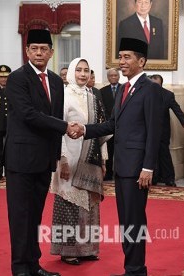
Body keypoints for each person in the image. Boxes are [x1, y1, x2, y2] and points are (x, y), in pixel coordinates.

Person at [69, 37, 164, 276]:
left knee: (134, 221)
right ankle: (131, 269)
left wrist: (148, 168)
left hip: (137, 169)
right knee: (126, 222)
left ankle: (136, 270)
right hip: (122, 166)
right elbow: (112, 124)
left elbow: (154, 131)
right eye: (120, 56)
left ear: (141, 61)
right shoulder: (122, 88)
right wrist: (85, 129)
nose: (121, 61)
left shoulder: (151, 90)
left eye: (126, 57)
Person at [4, 29, 77, 276]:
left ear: (51, 52)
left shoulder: (56, 81)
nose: (38, 53)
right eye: (33, 48)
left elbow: (54, 116)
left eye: (43, 49)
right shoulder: (17, 79)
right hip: (21, 161)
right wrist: (66, 127)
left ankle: (33, 266)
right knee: (20, 218)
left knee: (35, 216)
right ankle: (20, 270)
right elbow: (29, 115)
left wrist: (57, 155)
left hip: (44, 161)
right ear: (27, 51)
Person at [50, 57, 111, 265]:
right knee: (69, 202)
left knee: (90, 203)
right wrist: (63, 160)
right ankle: (68, 250)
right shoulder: (64, 95)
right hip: (70, 156)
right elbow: (58, 130)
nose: (83, 74)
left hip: (90, 159)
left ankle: (88, 248)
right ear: (71, 73)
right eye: (79, 70)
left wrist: (103, 160)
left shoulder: (93, 96)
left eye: (87, 70)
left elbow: (100, 130)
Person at [149, 74, 184, 186]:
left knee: (164, 154)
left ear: (161, 84)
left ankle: (169, 178)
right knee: (149, 154)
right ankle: (153, 178)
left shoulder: (168, 95)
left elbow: (177, 110)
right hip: (147, 130)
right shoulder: (145, 93)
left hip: (163, 131)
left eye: (156, 85)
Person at [98, 68, 121, 180]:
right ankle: (108, 173)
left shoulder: (124, 88)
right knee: (109, 150)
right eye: (111, 75)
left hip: (122, 126)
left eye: (115, 75)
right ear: (108, 77)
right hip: (108, 125)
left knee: (120, 151)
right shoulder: (102, 91)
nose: (113, 77)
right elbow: (102, 108)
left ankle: (119, 172)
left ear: (118, 76)